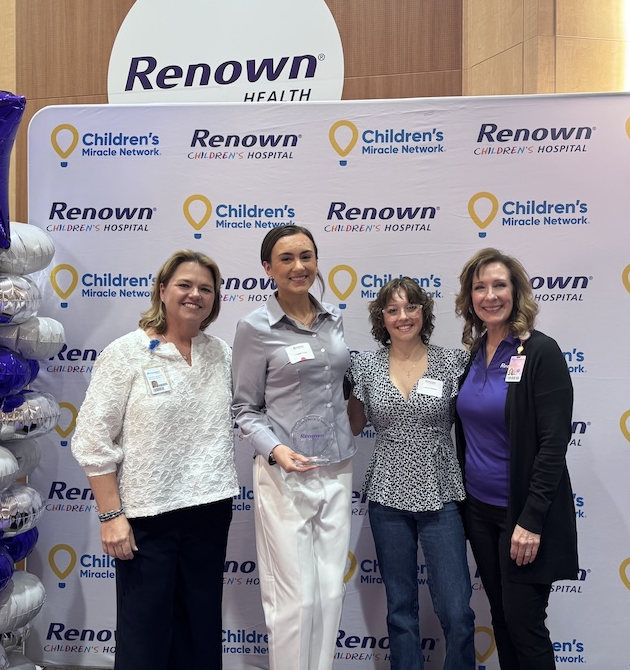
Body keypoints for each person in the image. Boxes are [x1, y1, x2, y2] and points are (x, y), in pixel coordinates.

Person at [70, 249, 239, 670]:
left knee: (200, 633)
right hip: (146, 517)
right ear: (162, 291)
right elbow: (92, 439)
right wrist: (112, 517)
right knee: (144, 637)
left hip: (210, 510)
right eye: (184, 285)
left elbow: (255, 409)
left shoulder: (221, 354)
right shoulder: (126, 353)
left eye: (205, 288)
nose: (195, 294)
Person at [232, 225, 355, 670]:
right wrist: (275, 450)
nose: (298, 266)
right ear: (268, 268)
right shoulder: (255, 327)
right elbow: (244, 408)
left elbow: (341, 387)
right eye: (286, 259)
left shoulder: (333, 319)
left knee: (329, 593)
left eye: (306, 256)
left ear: (317, 261)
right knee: (294, 600)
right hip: (285, 473)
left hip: (338, 470)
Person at [454, 248, 578, 670]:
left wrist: (530, 519)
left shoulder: (540, 352)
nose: (490, 295)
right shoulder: (472, 354)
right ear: (469, 297)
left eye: (499, 285)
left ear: (517, 291)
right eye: (480, 287)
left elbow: (553, 444)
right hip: (478, 511)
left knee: (525, 624)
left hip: (522, 515)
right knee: (502, 620)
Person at [347, 277, 475, 670]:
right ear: (381, 318)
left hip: (442, 491)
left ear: (424, 312)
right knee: (400, 609)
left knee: (457, 611)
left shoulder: (455, 361)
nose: (403, 317)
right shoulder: (364, 365)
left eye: (411, 307)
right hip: (388, 494)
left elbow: (474, 421)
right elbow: (353, 426)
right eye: (392, 310)